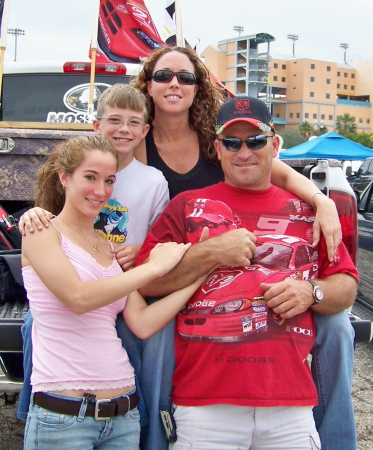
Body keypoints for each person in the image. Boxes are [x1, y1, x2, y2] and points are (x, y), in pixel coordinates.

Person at [20, 47, 351, 450]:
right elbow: (77, 187)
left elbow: (269, 165)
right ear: (147, 85)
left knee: (336, 327)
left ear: (200, 87)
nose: (174, 84)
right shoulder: (132, 144)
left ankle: (336, 439)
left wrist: (322, 201)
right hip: (152, 265)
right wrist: (38, 213)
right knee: (43, 324)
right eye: (162, 76)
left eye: (186, 77)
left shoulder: (217, 139)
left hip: (170, 265)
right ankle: (97, 421)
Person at [136, 96, 359, 449]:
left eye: (255, 141)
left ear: (274, 145)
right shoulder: (186, 207)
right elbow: (146, 283)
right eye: (232, 142)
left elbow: (346, 286)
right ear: (218, 149)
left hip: (291, 409)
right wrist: (210, 253)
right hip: (205, 409)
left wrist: (311, 292)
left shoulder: (308, 212)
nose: (244, 152)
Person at [22, 135, 203, 449]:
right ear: (64, 177)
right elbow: (78, 298)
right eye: (90, 177)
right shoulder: (41, 231)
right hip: (64, 415)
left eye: (109, 181)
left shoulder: (107, 247)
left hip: (124, 414)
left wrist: (199, 275)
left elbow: (143, 322)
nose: (100, 190)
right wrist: (153, 267)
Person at [17, 84, 170, 426]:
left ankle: (136, 419)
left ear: (145, 131)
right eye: (114, 120)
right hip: (76, 282)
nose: (124, 129)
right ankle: (32, 411)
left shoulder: (153, 181)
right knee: (32, 325)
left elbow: (159, 237)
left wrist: (140, 251)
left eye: (133, 122)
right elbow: (56, 220)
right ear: (96, 125)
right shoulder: (80, 167)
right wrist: (33, 214)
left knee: (131, 336)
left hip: (123, 284)